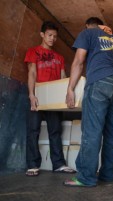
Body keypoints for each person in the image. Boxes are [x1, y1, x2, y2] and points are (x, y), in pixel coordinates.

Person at [63, 17, 113, 187]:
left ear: (88, 26)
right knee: (112, 130)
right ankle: (107, 174)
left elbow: (79, 61)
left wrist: (70, 88)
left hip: (99, 81)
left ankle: (86, 177)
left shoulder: (88, 33)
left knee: (92, 129)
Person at [24, 21, 76, 176]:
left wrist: (66, 95)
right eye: (49, 35)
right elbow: (32, 73)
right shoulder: (33, 51)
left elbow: (62, 78)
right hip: (38, 96)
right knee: (33, 131)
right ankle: (33, 165)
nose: (53, 38)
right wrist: (31, 94)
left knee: (55, 131)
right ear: (42, 35)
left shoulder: (59, 57)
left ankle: (59, 164)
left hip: (54, 99)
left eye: (55, 36)